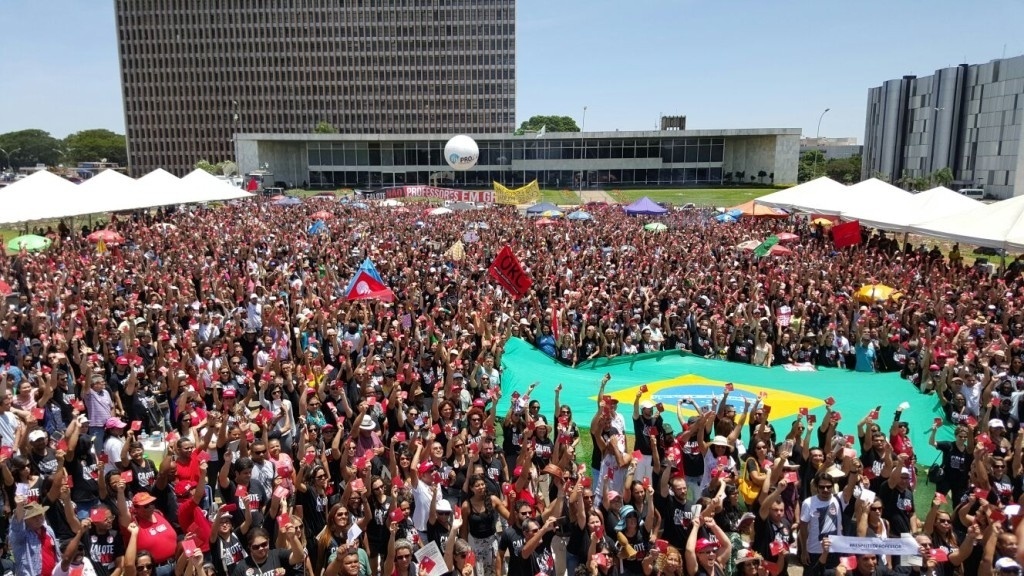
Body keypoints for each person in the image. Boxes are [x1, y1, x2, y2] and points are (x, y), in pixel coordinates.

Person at [8, 497, 61, 576]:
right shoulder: (22, 536)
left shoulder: (48, 530)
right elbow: (17, 526)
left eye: (40, 515)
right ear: (25, 520)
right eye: (34, 517)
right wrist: (19, 506)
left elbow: (56, 554)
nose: (38, 518)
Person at [230, 526, 305, 576]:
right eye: (256, 547)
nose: (261, 548)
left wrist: (293, 537)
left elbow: (299, 557)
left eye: (264, 544)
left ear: (268, 541)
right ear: (249, 547)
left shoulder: (277, 554)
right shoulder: (242, 567)